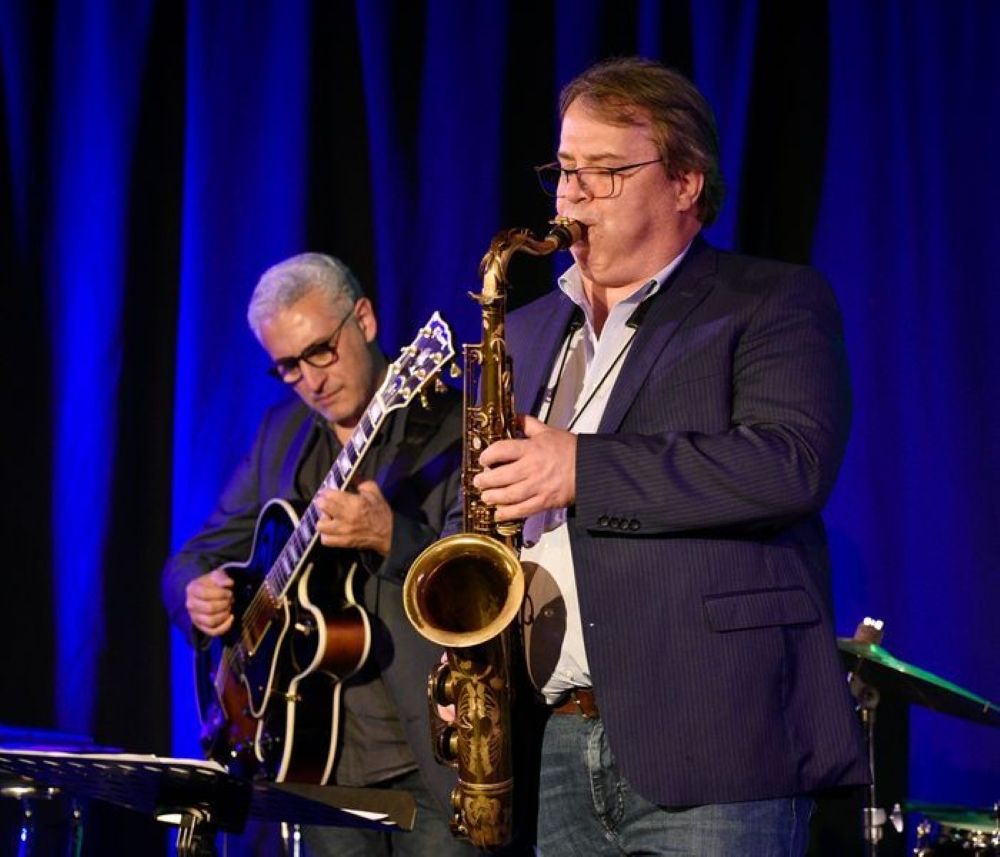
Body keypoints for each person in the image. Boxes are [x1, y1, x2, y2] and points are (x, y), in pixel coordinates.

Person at [471, 57, 869, 855]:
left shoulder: (770, 301)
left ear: (686, 182)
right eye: (566, 170)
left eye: (606, 172)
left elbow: (788, 463)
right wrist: (472, 663)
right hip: (560, 737)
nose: (572, 196)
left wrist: (581, 469)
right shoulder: (526, 331)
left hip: (717, 732)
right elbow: (485, 509)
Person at [162, 252, 475, 856]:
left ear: (365, 320)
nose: (311, 380)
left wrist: (392, 537)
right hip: (316, 759)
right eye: (288, 366)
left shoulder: (454, 428)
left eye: (321, 351)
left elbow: (479, 584)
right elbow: (194, 558)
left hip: (431, 755)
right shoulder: (279, 437)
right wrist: (197, 596)